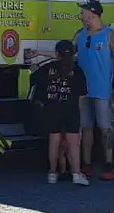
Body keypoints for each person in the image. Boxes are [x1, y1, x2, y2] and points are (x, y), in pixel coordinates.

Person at [74, 0, 114, 181]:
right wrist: (40, 53)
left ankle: (109, 164)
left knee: (105, 129)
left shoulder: (110, 35)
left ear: (92, 14)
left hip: (103, 90)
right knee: (85, 128)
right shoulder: (79, 35)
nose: (81, 17)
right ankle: (86, 164)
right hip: (82, 91)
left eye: (83, 13)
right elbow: (66, 54)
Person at [32, 40, 89, 186]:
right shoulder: (77, 70)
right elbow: (82, 95)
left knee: (54, 142)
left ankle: (52, 173)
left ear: (56, 54)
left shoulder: (48, 68)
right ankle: (76, 174)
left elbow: (33, 79)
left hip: (52, 109)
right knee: (74, 143)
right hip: (71, 110)